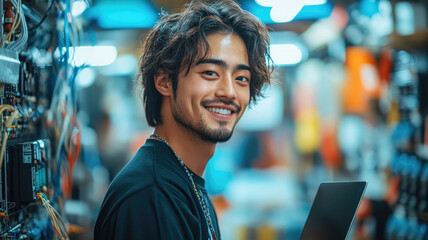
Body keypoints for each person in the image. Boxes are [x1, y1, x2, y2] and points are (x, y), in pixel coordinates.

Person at [93, 0, 272, 239]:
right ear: (165, 81)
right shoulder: (151, 196)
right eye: (210, 73)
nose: (229, 91)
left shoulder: (185, 181)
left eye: (241, 78)